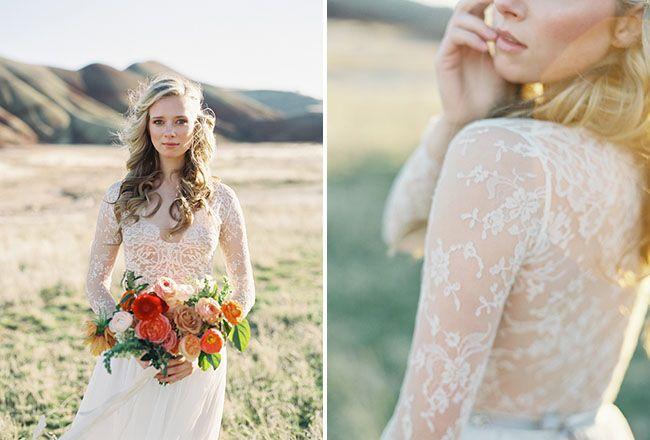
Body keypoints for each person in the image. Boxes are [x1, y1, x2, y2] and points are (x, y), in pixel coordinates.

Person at [380, 0, 649, 438]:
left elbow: (426, 426)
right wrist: (459, 118)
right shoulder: (638, 152)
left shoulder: (503, 153)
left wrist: (472, 131)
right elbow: (400, 227)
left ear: (629, 24)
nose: (505, 5)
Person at [63, 73, 255, 439]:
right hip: (132, 355)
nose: (170, 131)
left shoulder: (222, 199)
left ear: (196, 125)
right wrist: (127, 332)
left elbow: (243, 283)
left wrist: (205, 337)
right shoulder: (119, 196)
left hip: (195, 360)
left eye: (181, 120)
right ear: (146, 126)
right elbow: (96, 281)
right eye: (159, 121)